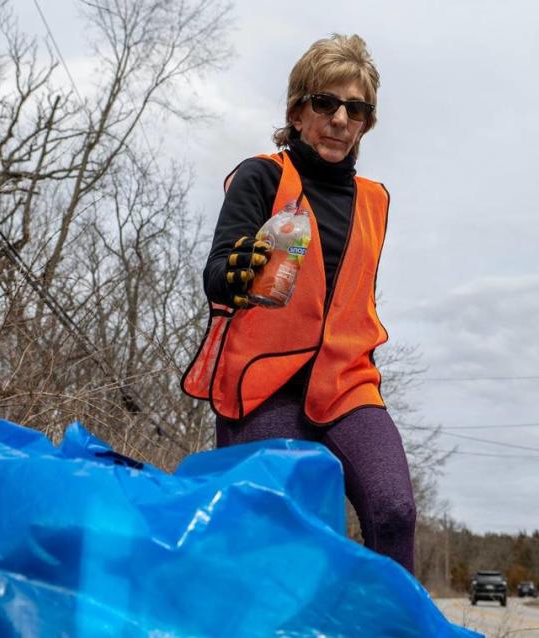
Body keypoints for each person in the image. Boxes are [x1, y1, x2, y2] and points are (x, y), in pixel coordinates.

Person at [182, 34, 416, 573]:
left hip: (348, 380)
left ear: (365, 122)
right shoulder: (262, 175)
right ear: (297, 110)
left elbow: (351, 300)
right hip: (264, 379)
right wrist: (237, 274)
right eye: (326, 103)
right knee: (281, 532)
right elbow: (218, 274)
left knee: (394, 510)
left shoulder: (376, 202)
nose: (339, 118)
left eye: (355, 109)